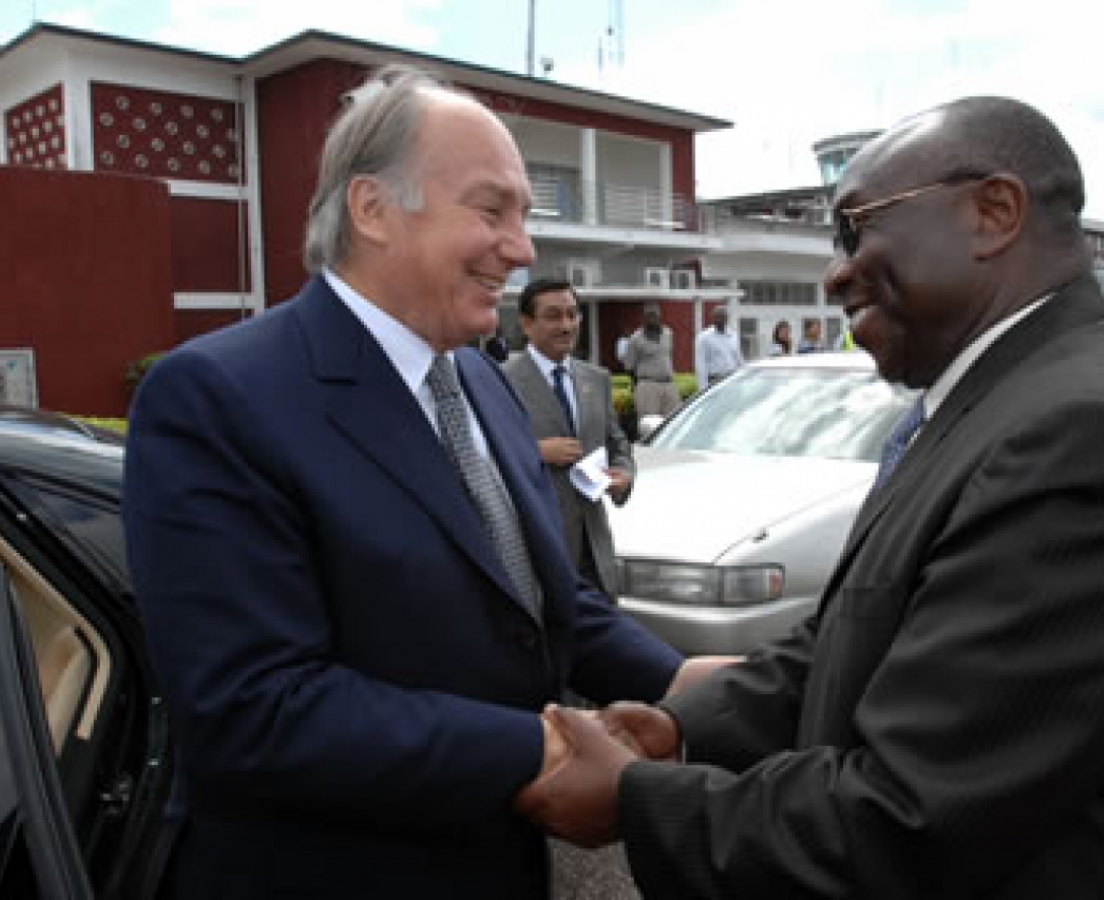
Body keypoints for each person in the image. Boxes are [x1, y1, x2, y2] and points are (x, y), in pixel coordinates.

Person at [516, 96, 1104, 897]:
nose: (836, 270)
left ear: (993, 212)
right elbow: (864, 631)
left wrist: (636, 801)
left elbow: (916, 814)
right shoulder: (999, 398)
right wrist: (678, 727)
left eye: (856, 228)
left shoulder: (1085, 431)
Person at [122, 65, 714, 900]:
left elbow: (540, 600)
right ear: (372, 209)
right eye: (492, 210)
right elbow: (254, 706)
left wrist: (682, 684)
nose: (523, 248)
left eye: (525, 216)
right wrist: (541, 751)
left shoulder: (478, 380)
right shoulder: (216, 398)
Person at [504, 278, 633, 597]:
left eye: (573, 314)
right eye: (553, 316)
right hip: (538, 550)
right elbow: (485, 454)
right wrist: (534, 452)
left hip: (595, 551)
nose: (566, 325)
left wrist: (624, 476)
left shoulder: (596, 378)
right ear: (526, 323)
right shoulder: (500, 380)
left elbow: (617, 444)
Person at [623, 302, 680, 418]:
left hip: (668, 384)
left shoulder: (668, 333)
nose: (652, 318)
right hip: (647, 385)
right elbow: (629, 367)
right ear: (643, 318)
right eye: (649, 315)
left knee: (673, 422)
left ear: (659, 316)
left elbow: (668, 356)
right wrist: (640, 384)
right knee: (649, 425)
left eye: (654, 315)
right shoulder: (635, 338)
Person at [694, 305, 744, 388]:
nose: (720, 319)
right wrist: (703, 388)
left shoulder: (733, 336)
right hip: (714, 381)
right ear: (712, 318)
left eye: (723, 316)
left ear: (727, 318)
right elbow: (700, 364)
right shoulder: (703, 337)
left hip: (731, 381)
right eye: (717, 317)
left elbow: (739, 359)